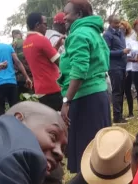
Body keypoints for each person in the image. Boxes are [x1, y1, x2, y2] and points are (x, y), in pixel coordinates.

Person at [58, 0, 111, 173]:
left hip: (85, 99)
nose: (63, 18)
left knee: (87, 155)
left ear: (79, 14)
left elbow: (80, 69)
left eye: (67, 13)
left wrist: (66, 101)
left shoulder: (79, 34)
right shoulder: (94, 32)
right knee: (99, 151)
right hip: (98, 96)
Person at [24, 13, 63, 112]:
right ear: (37, 25)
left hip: (40, 90)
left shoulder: (26, 43)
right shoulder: (42, 40)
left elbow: (42, 60)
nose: (47, 27)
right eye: (45, 24)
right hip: (53, 88)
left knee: (50, 120)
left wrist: (55, 48)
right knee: (62, 120)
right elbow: (60, 63)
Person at [0, 33, 32, 117]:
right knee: (15, 109)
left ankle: (4, 129)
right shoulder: (8, 47)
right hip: (11, 82)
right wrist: (27, 77)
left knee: (1, 110)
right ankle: (18, 127)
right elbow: (17, 62)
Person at [104, 14, 129, 124]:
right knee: (117, 92)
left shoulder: (121, 33)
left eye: (119, 22)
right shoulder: (107, 35)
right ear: (110, 23)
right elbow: (106, 52)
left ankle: (120, 115)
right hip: (114, 67)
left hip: (123, 66)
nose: (118, 25)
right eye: (116, 23)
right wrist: (121, 52)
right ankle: (117, 117)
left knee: (121, 91)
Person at [12, 30, 33, 97]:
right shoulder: (27, 42)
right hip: (29, 74)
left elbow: (13, 60)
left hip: (19, 76)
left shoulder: (12, 45)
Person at [120, 20, 134, 119]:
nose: (122, 30)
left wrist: (125, 55)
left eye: (123, 28)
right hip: (120, 68)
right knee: (120, 92)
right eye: (120, 28)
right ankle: (120, 113)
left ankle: (131, 112)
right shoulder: (118, 38)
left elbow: (131, 53)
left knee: (128, 91)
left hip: (129, 68)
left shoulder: (129, 39)